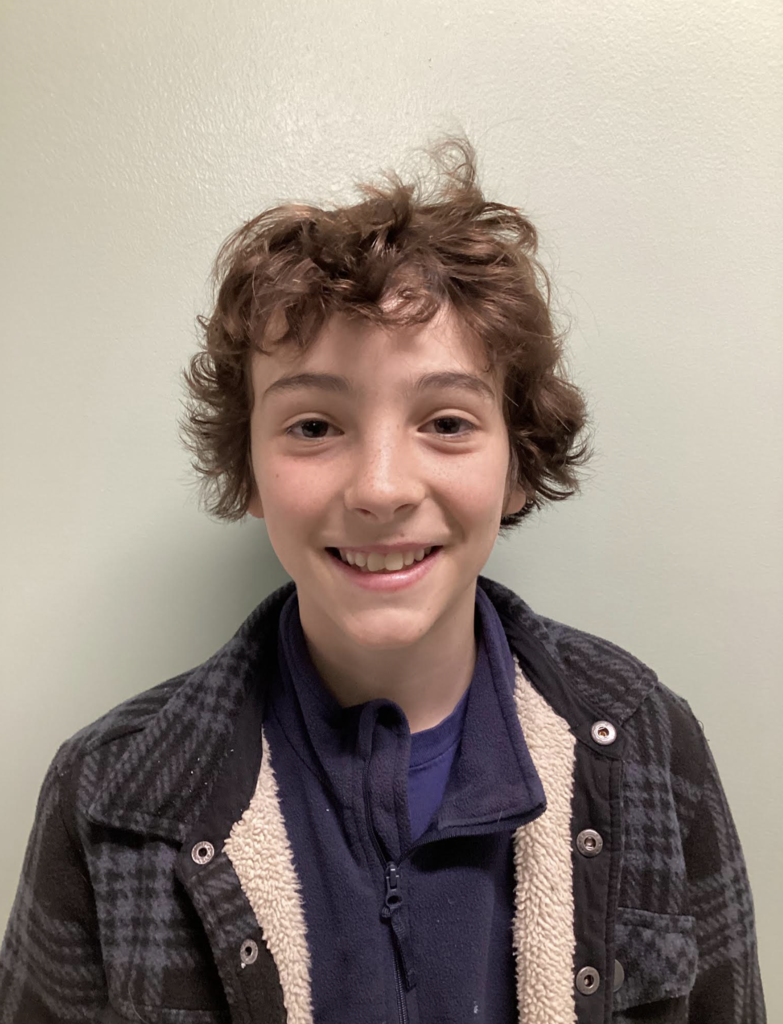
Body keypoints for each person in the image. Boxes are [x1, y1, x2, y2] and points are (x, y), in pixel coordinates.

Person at [0, 139, 765, 1024]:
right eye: (315, 425)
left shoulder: (647, 746)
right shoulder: (105, 794)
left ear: (518, 463)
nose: (381, 488)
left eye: (445, 421)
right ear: (246, 469)